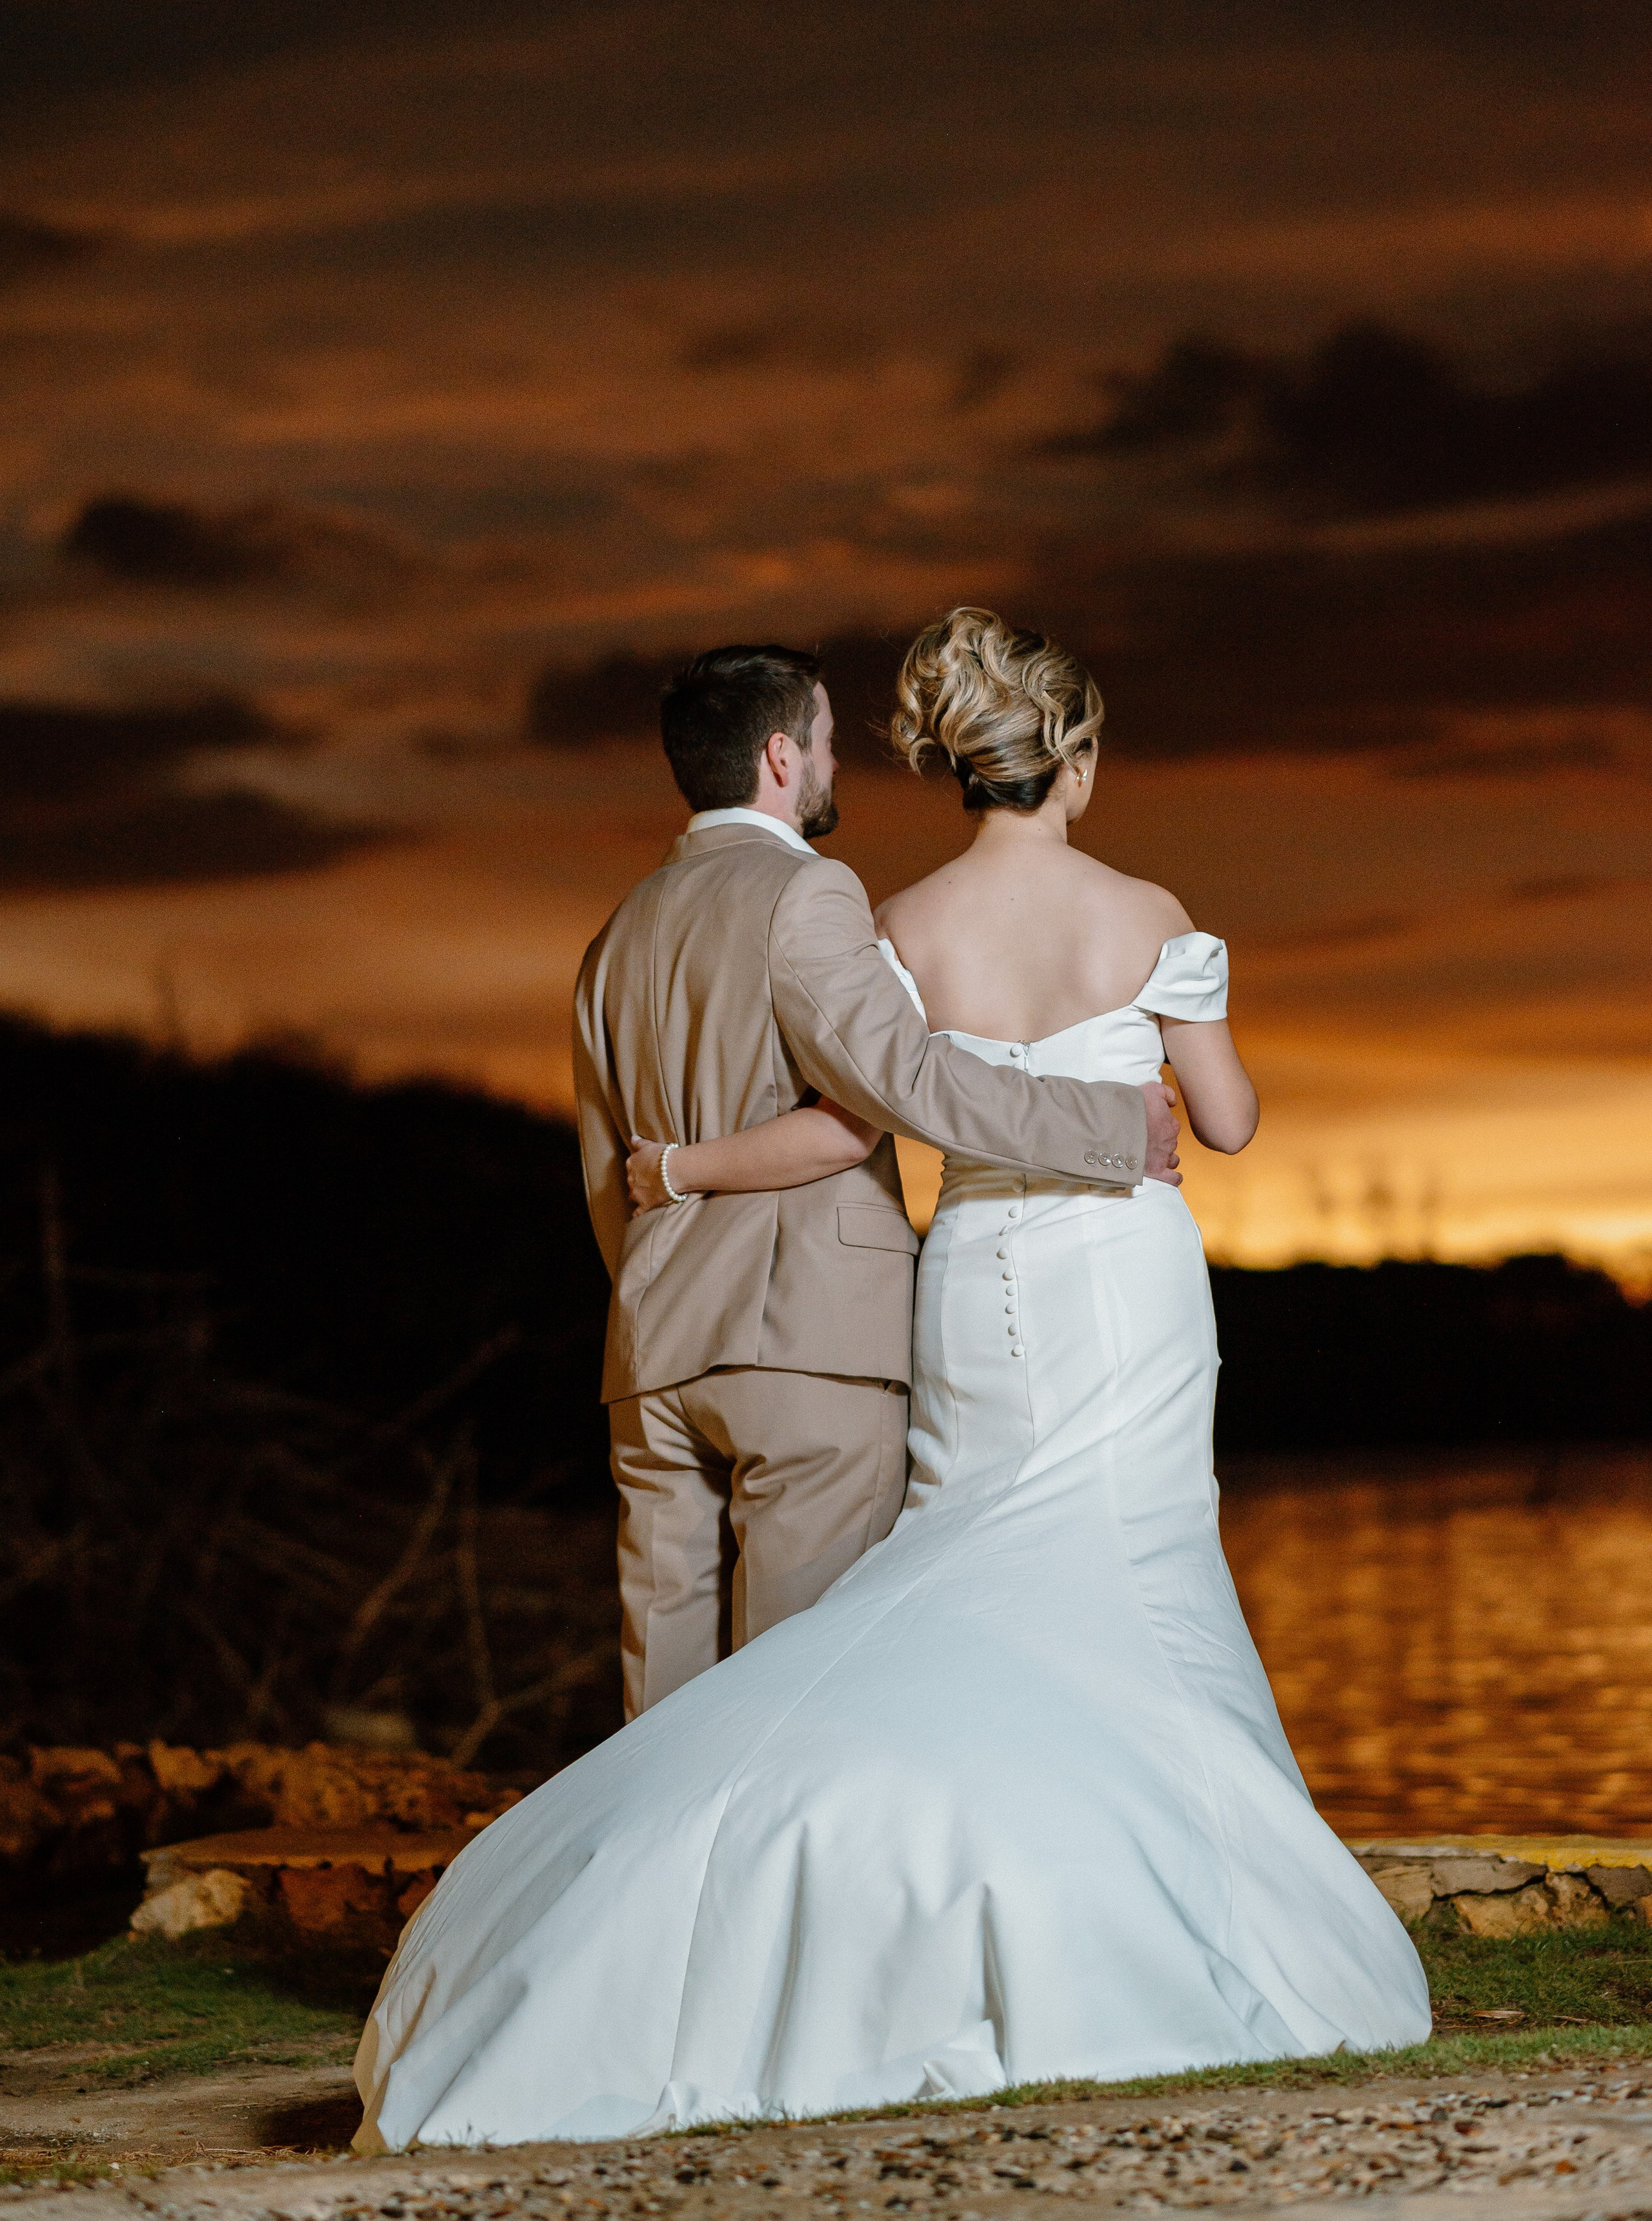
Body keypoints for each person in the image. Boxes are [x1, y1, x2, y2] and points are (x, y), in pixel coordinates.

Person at [354, 608, 1429, 2149]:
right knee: (1047, 1584)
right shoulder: (1076, 908)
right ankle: (962, 1928)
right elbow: (1200, 1119)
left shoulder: (840, 925)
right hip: (1082, 1280)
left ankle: (654, 1960)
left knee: (853, 1612)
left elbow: (787, 1132)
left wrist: (667, 1198)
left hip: (866, 1299)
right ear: (1072, 756)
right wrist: (1125, 1099)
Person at [567, 641, 1179, 1723]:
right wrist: (1105, 1123)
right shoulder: (806, 894)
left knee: (657, 1717)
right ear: (778, 756)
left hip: (653, 1350)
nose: (833, 761)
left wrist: (657, 1294)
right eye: (827, 741)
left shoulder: (616, 934)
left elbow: (604, 1170)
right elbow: (900, 1079)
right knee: (803, 1698)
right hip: (805, 1342)